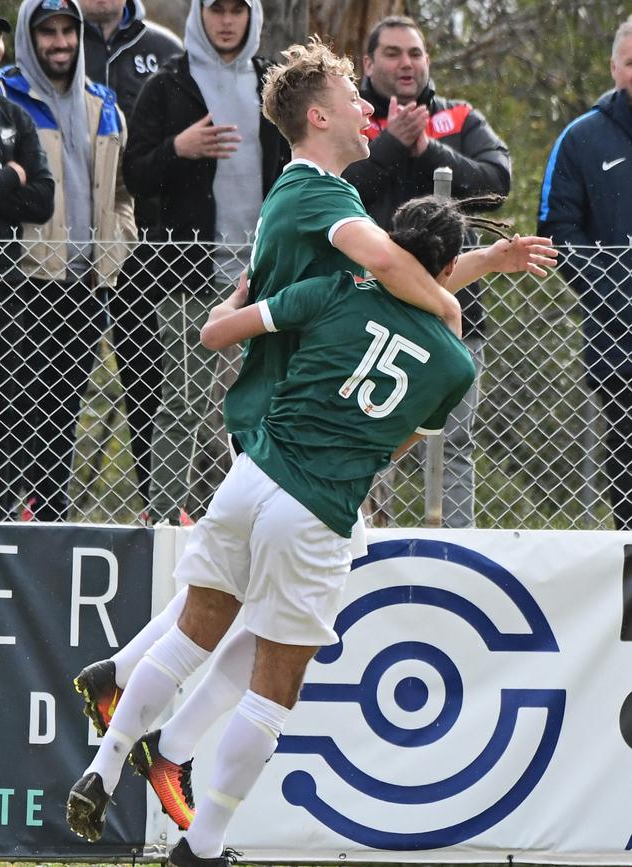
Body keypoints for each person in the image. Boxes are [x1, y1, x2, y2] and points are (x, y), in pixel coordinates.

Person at [66, 38, 557, 855]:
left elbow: (360, 284)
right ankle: (193, 813)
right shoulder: (326, 205)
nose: (369, 107)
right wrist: (456, 307)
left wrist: (471, 271)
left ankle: (131, 718)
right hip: (297, 459)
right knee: (262, 661)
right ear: (320, 115)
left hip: (262, 455)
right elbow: (391, 275)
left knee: (212, 620)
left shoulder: (327, 264)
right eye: (352, 97)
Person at [121, 0, 290, 525]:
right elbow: (136, 176)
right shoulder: (169, 85)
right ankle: (166, 518)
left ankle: (245, 520)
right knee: (183, 406)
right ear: (199, 14)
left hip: (263, 280)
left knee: (262, 408)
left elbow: (297, 165)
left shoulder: (273, 85)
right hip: (187, 278)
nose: (226, 20)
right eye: (215, 9)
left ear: (251, 16)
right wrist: (178, 147)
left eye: (237, 10)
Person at [343, 15, 512, 528]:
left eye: (415, 53)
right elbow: (340, 187)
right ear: (369, 64)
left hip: (454, 309)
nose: (406, 63)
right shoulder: (353, 120)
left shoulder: (458, 118)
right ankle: (369, 545)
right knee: (371, 438)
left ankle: (456, 550)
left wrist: (429, 151)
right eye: (392, 53)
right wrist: (391, 143)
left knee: (454, 441)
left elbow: (497, 180)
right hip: (373, 311)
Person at [0, 0, 136, 521]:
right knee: (14, 413)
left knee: (62, 417)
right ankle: (6, 521)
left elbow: (123, 191)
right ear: (29, 40)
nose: (59, 42)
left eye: (66, 30)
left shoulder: (104, 103)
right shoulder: (5, 97)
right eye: (46, 32)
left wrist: (119, 240)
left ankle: (51, 524)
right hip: (22, 284)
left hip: (86, 286)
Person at [80, 0, 182, 515]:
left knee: (150, 388)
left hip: (145, 258)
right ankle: (35, 509)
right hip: (66, 255)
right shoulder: (48, 40)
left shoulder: (165, 50)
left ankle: (156, 506)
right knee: (45, 390)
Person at [538, 16, 632, 531]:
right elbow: (557, 231)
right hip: (620, 350)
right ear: (615, 66)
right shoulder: (582, 138)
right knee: (628, 497)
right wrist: (618, 293)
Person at [0, 0, 54, 519]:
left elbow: (44, 200)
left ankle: (1, 515)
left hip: (4, 282)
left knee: (7, 402)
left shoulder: (13, 115)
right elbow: (22, 186)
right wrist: (8, 178)